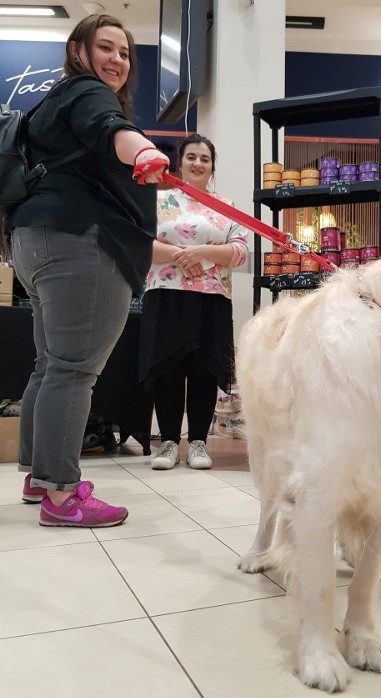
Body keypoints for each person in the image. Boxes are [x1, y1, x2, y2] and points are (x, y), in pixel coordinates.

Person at [10, 14, 170, 527]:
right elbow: (113, 131)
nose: (117, 61)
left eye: (124, 53)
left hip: (34, 242)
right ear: (77, 50)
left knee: (50, 364)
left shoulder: (51, 103)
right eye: (106, 48)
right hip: (81, 243)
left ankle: (40, 478)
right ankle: (61, 494)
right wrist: (144, 149)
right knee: (73, 369)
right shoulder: (88, 93)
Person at [139, 134, 248, 471]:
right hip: (166, 294)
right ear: (179, 162)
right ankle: (169, 442)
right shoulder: (157, 202)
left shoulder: (226, 206)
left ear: (212, 166)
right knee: (167, 368)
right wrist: (179, 255)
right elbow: (140, 244)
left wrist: (200, 253)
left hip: (211, 299)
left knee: (204, 368)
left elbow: (241, 252)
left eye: (204, 158)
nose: (198, 164)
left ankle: (198, 441)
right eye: (191, 157)